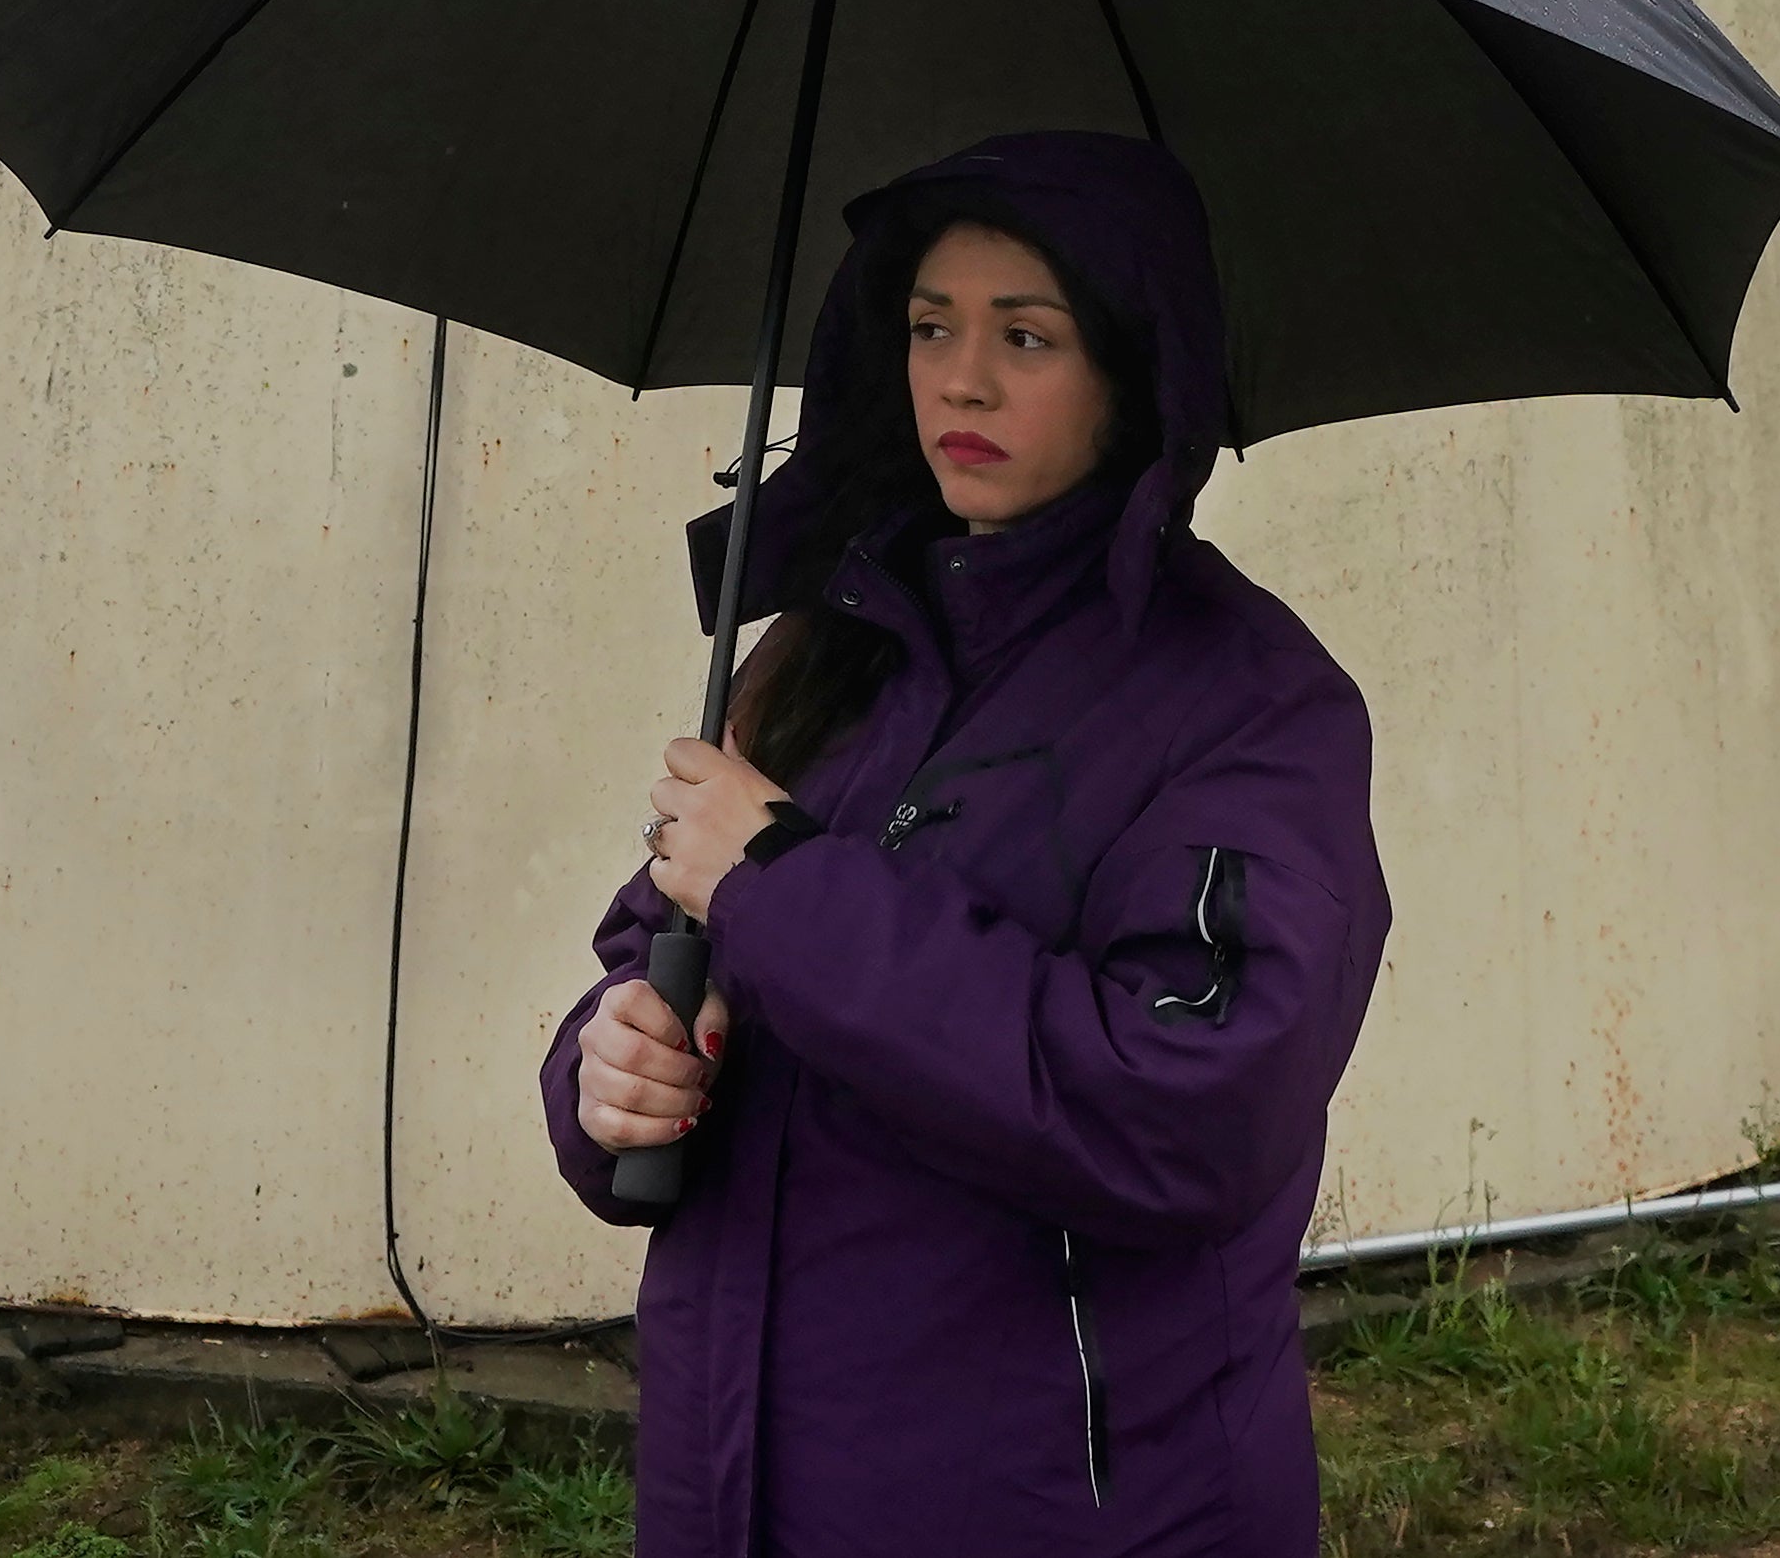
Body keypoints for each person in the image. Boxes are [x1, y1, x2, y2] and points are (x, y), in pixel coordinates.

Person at [539, 131, 1386, 1558]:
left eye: (1027, 334)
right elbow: (670, 936)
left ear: (1134, 368)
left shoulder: (1247, 701)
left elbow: (1189, 1109)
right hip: (735, 1483)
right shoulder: (833, 647)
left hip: (1067, 1510)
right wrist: (612, 1066)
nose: (963, 379)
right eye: (930, 326)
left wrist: (785, 887)